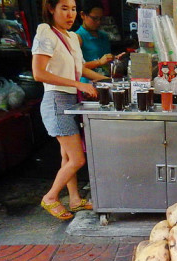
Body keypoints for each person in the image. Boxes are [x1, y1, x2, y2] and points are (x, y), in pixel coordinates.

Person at [32, 0, 108, 220]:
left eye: (73, 9)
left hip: (71, 102)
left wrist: (107, 79)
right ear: (51, 9)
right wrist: (78, 84)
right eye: (64, 8)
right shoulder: (46, 32)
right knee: (77, 159)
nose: (70, 14)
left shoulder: (72, 37)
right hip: (56, 101)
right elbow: (38, 73)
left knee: (67, 156)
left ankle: (74, 199)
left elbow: (81, 68)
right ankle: (51, 197)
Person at [75, 0, 121, 82]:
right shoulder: (78, 37)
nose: (98, 22)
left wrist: (114, 59)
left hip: (105, 80)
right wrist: (99, 62)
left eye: (101, 19)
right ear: (83, 15)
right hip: (87, 84)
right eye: (94, 18)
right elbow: (75, 67)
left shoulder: (104, 36)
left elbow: (105, 61)